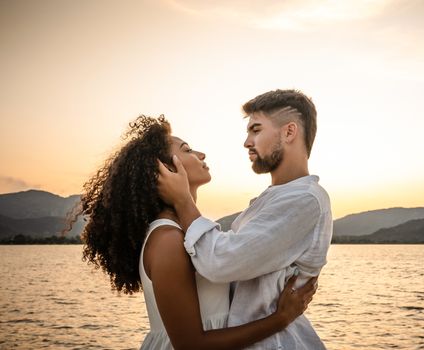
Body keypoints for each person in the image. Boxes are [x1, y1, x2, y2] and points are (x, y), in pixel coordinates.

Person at [69, 115, 318, 350]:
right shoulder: (168, 240)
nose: (201, 154)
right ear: (164, 171)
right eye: (187, 150)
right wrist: (281, 319)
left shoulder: (188, 233)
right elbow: (191, 346)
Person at [157, 89, 333, 349]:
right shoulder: (272, 200)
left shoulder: (304, 200)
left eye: (256, 130)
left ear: (289, 132)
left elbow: (219, 261)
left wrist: (183, 200)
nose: (247, 142)